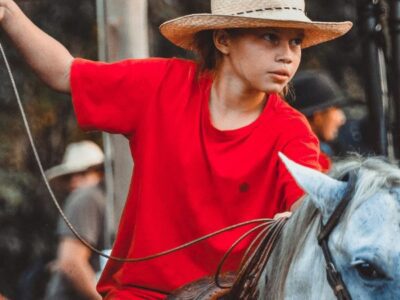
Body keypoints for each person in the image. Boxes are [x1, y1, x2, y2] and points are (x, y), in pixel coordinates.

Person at [0, 0, 352, 298]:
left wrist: (297, 220)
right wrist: (10, 13)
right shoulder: (161, 86)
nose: (287, 55)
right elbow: (65, 72)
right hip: (138, 294)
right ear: (224, 39)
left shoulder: (291, 130)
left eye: (295, 42)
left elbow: (309, 205)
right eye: (270, 37)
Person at [43, 141, 106, 300]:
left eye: (83, 173)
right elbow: (71, 262)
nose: (74, 181)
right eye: (70, 176)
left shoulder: (95, 198)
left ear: (100, 173)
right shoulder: (86, 197)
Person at [289, 70, 349, 172]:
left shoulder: (321, 152)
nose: (342, 119)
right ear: (318, 116)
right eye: (336, 108)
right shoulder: (301, 161)